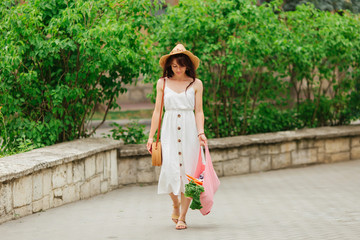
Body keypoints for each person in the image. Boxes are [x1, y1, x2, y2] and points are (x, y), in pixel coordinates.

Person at [147, 44, 207, 230]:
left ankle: (182, 217)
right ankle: (175, 203)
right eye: (174, 66)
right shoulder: (162, 83)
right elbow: (157, 111)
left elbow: (199, 111)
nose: (178, 69)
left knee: (190, 173)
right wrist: (151, 138)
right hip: (169, 130)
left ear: (188, 65)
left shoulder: (196, 84)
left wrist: (201, 132)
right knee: (170, 170)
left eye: (181, 65)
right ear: (169, 66)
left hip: (189, 130)